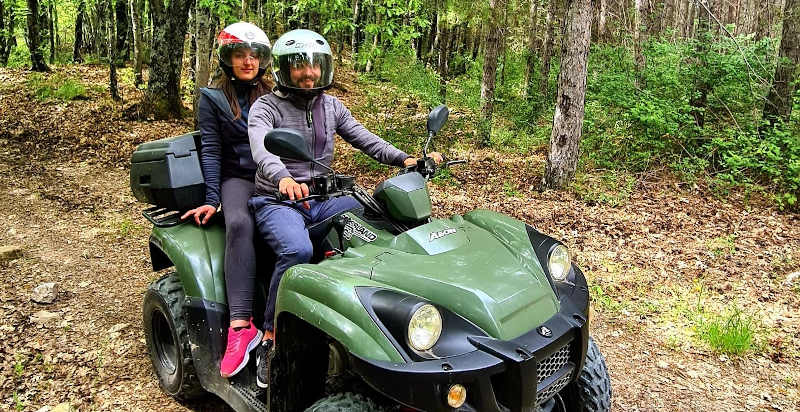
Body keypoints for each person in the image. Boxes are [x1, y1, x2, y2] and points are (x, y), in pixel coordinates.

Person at [247, 29, 441, 388]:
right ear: (283, 70)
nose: (308, 74)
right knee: (297, 250)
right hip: (277, 200)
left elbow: (365, 138)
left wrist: (406, 159)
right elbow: (262, 149)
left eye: (315, 66)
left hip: (323, 199)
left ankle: (399, 316)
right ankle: (270, 337)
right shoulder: (266, 107)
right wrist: (283, 177)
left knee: (380, 223)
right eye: (299, 67)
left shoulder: (331, 106)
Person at [180, 22, 272, 380]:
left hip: (274, 174)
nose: (247, 62)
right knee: (238, 223)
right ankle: (239, 326)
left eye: (253, 55)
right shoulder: (213, 98)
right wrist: (213, 198)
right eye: (239, 55)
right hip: (239, 177)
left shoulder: (273, 94)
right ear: (227, 59)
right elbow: (214, 152)